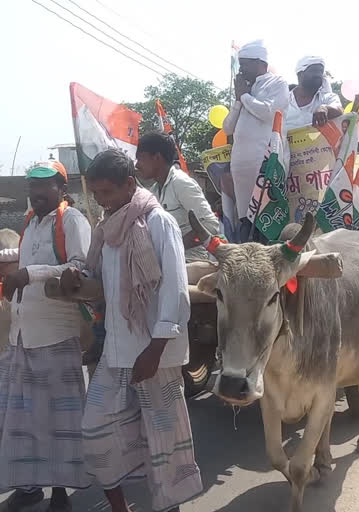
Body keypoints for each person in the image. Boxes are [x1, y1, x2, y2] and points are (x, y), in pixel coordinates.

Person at [65, 149, 202, 512]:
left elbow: (174, 289)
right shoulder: (107, 228)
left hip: (154, 354)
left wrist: (155, 350)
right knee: (95, 430)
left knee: (163, 441)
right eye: (95, 195)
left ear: (129, 184)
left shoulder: (158, 222)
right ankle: (119, 506)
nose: (101, 201)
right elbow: (100, 280)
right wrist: (78, 275)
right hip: (118, 350)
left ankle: (169, 507)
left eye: (107, 193)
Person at [0, 161, 92, 512]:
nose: (36, 192)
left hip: (56, 335)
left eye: (44, 186)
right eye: (32, 186)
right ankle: (28, 487)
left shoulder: (71, 220)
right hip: (21, 336)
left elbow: (81, 266)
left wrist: (31, 274)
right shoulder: (31, 221)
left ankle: (60, 492)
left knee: (58, 421)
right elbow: (22, 255)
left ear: (61, 188)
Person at [222, 40, 289, 244]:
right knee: (245, 220)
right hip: (241, 168)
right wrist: (237, 99)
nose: (241, 70)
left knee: (266, 221)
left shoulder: (277, 83)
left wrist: (244, 96)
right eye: (240, 64)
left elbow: (268, 112)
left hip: (266, 164)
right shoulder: (245, 91)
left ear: (261, 63)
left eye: (245, 64)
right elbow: (227, 128)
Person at [135, 131, 220, 262]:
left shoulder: (181, 183)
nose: (137, 165)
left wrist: (175, 245)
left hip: (190, 261)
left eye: (140, 158)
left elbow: (210, 225)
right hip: (165, 261)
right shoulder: (153, 191)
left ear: (157, 158)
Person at [285, 56, 343, 132]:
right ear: (300, 74)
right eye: (314, 71)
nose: (318, 75)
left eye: (321, 72)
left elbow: (339, 109)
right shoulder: (283, 100)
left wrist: (325, 108)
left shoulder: (328, 97)